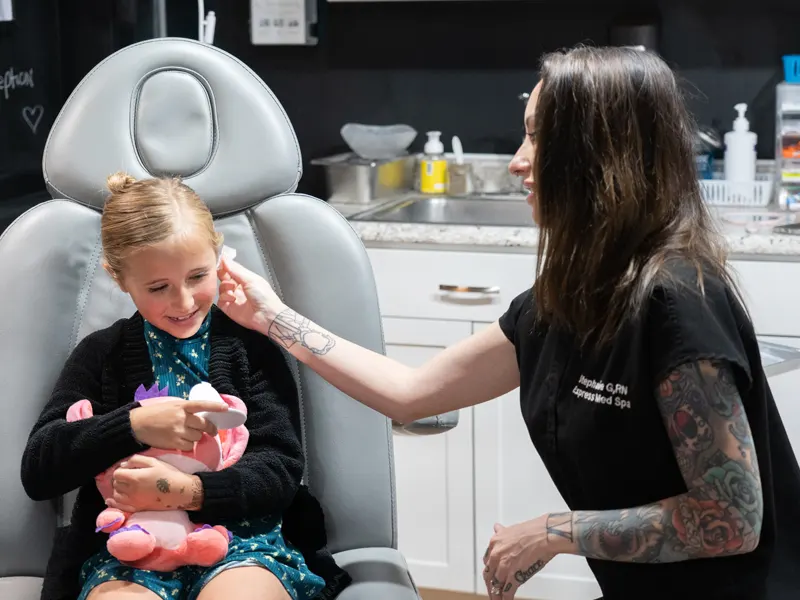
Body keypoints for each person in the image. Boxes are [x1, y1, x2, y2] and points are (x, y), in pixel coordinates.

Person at [213, 46, 800, 600]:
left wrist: (552, 531)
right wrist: (272, 316)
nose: (518, 161)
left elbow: (731, 520)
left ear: (600, 152)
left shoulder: (677, 300)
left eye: (539, 136)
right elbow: (410, 395)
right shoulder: (558, 303)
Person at [20, 173, 351, 600]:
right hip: (132, 548)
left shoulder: (249, 348)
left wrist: (190, 492)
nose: (183, 302)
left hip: (243, 543)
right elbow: (40, 470)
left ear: (217, 255)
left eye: (198, 276)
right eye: (158, 287)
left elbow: (280, 467)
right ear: (118, 278)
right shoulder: (100, 355)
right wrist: (132, 426)